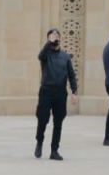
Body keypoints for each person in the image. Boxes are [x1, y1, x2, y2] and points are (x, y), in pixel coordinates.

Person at [33, 28, 78, 160]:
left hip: (60, 93)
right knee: (42, 120)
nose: (55, 37)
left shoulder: (65, 56)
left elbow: (71, 75)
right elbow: (40, 56)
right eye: (52, 35)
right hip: (46, 91)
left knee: (58, 122)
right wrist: (49, 43)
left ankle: (54, 150)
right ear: (48, 38)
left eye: (57, 35)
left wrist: (74, 91)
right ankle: (39, 142)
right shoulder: (45, 55)